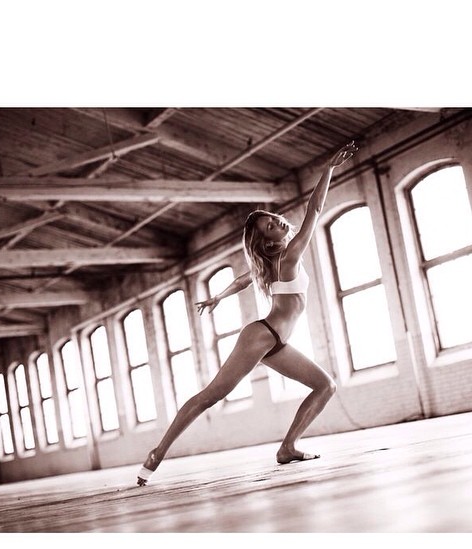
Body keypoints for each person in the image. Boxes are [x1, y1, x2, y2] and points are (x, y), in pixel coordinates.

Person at [136, 141, 358, 486]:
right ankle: (157, 453)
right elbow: (314, 210)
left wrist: (219, 297)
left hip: (277, 342)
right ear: (268, 241)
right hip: (262, 336)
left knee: (324, 385)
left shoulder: (272, 263)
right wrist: (328, 169)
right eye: (270, 227)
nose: (277, 223)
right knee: (212, 395)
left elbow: (245, 278)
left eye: (273, 219)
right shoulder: (290, 256)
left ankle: (288, 447)